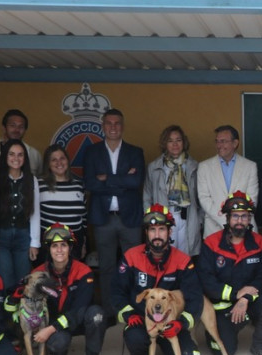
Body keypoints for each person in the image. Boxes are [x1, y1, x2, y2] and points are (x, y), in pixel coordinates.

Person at [6, 224, 106, 355]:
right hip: (55, 324)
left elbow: (80, 309)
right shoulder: (37, 275)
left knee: (96, 315)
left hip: (77, 320)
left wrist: (50, 329)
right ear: (49, 249)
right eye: (54, 246)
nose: (59, 250)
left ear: (70, 248)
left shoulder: (84, 271)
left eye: (63, 245)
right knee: (57, 344)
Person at [113, 204, 203, 355]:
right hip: (142, 320)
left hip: (172, 324)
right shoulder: (131, 257)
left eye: (162, 229)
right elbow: (117, 291)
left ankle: (173, 347)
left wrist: (182, 323)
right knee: (134, 337)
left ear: (170, 233)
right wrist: (127, 314)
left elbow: (195, 297)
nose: (157, 235)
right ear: (146, 233)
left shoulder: (182, 260)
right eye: (152, 229)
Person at [198, 191, 262, 355]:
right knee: (223, 353)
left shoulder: (259, 242)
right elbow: (206, 281)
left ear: (250, 220)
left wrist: (244, 299)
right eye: (235, 216)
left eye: (244, 216)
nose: (240, 221)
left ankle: (260, 347)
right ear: (227, 219)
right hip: (222, 306)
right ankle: (225, 329)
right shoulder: (211, 243)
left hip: (250, 301)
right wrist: (236, 294)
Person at [83, 108, 146, 317]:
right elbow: (91, 183)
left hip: (130, 219)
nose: (113, 127)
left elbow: (136, 182)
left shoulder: (135, 152)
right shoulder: (92, 152)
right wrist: (122, 179)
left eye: (117, 123)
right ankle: (111, 311)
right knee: (108, 266)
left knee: (135, 265)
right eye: (109, 123)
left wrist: (107, 179)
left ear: (123, 126)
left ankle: (134, 307)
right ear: (103, 126)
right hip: (103, 219)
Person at [144, 125, 202, 257]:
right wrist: (151, 222)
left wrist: (199, 220)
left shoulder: (195, 166)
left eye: (178, 140)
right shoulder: (154, 167)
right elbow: (147, 197)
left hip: (187, 218)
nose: (175, 144)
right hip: (163, 218)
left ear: (184, 142)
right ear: (164, 144)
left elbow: (202, 197)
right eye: (170, 141)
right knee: (165, 256)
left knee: (185, 258)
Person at [0, 139, 41, 289]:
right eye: (12, 154)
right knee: (5, 279)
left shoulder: (31, 180)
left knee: (23, 281)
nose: (16, 158)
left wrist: (34, 242)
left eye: (20, 155)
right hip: (1, 237)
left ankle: (23, 312)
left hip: (23, 236)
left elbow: (35, 212)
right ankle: (7, 312)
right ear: (5, 157)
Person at [197, 125, 259, 237]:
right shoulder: (204, 167)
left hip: (244, 228)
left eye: (223, 141)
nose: (219, 145)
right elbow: (204, 198)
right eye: (217, 141)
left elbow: (251, 198)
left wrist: (236, 221)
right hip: (214, 228)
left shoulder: (250, 166)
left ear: (235, 143)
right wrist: (226, 221)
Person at [39, 144, 87, 260]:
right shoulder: (39, 185)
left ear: (67, 160)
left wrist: (84, 243)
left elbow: (84, 218)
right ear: (48, 164)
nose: (59, 163)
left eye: (62, 158)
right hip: (49, 243)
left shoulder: (78, 185)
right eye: (54, 160)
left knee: (73, 277)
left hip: (75, 243)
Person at [0, 109, 43, 176]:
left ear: (25, 130)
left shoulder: (35, 155)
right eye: (12, 126)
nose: (17, 130)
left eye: (21, 127)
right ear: (4, 128)